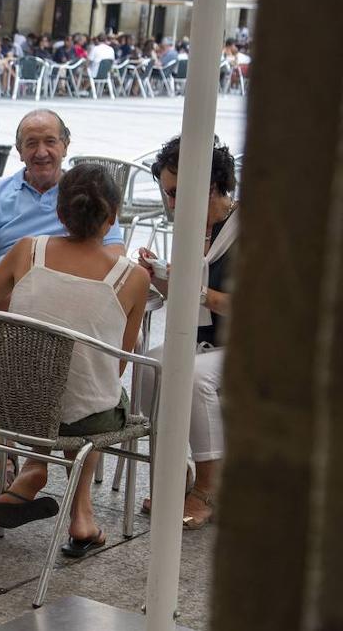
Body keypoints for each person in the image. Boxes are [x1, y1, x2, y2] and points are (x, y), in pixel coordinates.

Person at [0, 165, 149, 554]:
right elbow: (115, 366)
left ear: (60, 213)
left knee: (51, 385)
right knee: (92, 393)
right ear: (113, 217)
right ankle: (81, 516)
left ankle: (33, 467)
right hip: (85, 414)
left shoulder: (26, 251)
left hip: (13, 408)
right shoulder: (131, 278)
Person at [135, 136, 237, 529]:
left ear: (210, 184)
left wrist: (191, 287)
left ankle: (211, 485)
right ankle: (178, 474)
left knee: (193, 378)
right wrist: (158, 277)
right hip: (205, 342)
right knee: (148, 367)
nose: (172, 204)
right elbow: (186, 298)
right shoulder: (192, 227)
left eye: (177, 192)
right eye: (167, 194)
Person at [0, 109, 125, 285]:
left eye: (50, 142)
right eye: (31, 144)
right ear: (20, 151)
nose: (41, 152)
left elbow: (115, 255)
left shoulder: (88, 192)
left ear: (65, 146)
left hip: (63, 292)